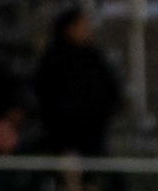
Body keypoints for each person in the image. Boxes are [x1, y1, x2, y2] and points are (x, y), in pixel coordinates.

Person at [33, 7, 120, 156]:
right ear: (69, 28)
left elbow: (111, 87)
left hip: (94, 130)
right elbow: (46, 94)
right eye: (83, 25)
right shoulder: (53, 59)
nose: (88, 29)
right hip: (62, 132)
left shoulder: (94, 57)